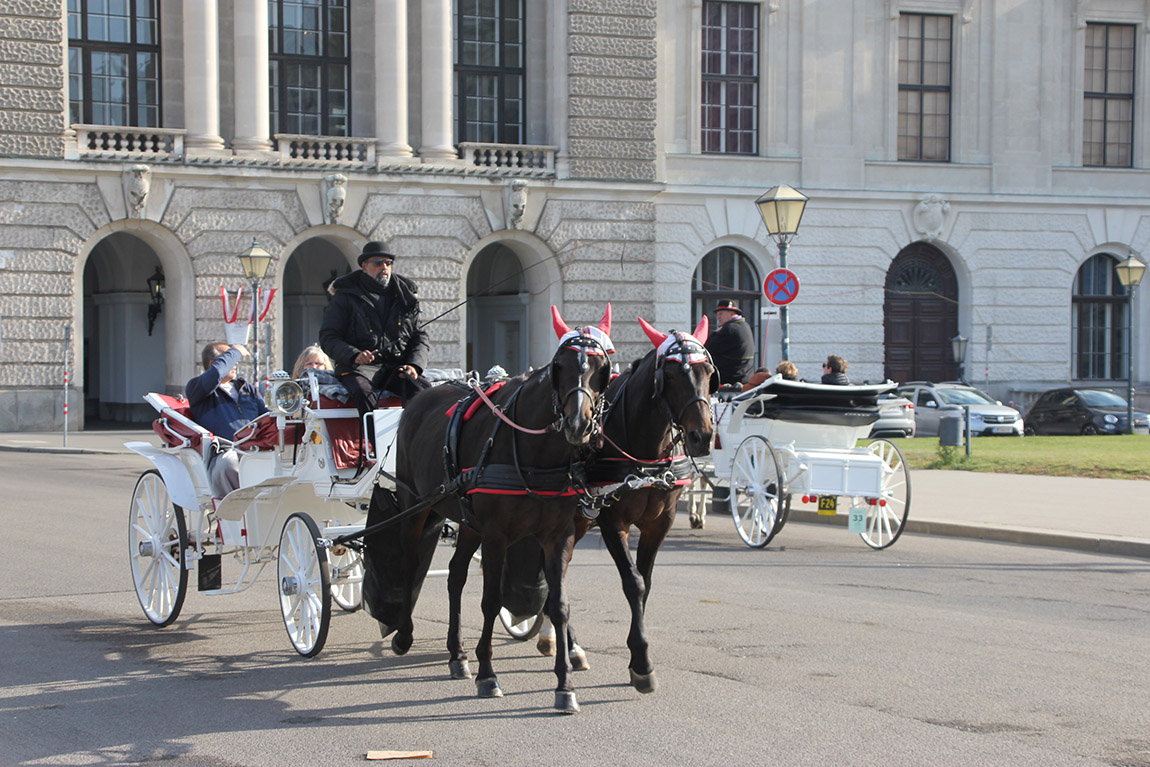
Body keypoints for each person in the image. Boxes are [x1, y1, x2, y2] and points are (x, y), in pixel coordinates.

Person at [319, 241, 431, 415]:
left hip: (396, 367)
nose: (384, 267)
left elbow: (420, 337)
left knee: (425, 392)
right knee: (363, 392)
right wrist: (354, 354)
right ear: (364, 266)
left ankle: (417, 440)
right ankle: (373, 441)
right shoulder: (345, 296)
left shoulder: (405, 297)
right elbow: (328, 337)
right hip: (358, 369)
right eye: (378, 263)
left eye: (388, 263)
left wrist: (414, 365)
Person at [185, 343, 268, 497]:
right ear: (213, 363)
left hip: (256, 449)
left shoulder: (247, 388)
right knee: (230, 463)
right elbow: (216, 373)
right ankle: (236, 513)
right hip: (225, 452)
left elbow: (266, 417)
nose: (235, 362)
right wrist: (236, 351)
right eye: (229, 357)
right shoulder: (196, 388)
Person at [704, 298, 755, 387]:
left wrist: (715, 333)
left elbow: (708, 348)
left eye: (720, 314)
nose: (718, 317)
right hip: (746, 379)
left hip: (728, 382)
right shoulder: (745, 326)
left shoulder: (729, 329)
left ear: (731, 313)